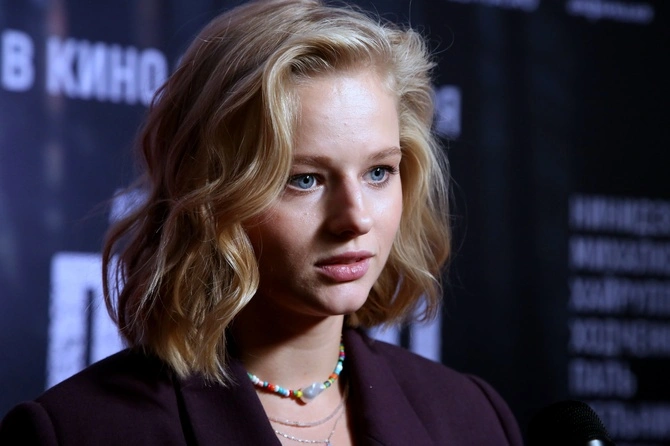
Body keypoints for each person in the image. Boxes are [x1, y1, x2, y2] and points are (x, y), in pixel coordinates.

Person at [0, 0, 523, 444]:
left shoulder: (472, 418)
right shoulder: (77, 431)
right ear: (211, 193)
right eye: (304, 179)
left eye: (379, 172)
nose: (355, 218)